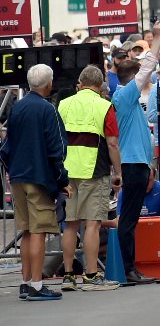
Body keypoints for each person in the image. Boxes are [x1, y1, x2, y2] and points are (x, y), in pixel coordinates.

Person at [2, 65, 70, 300]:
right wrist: (62, 179)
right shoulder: (47, 109)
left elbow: (6, 147)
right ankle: (38, 286)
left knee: (28, 230)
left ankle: (26, 281)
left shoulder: (17, 108)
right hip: (39, 176)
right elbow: (56, 148)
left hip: (18, 176)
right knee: (40, 230)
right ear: (49, 83)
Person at [55, 65, 123, 292]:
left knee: (70, 225)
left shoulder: (63, 104)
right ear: (101, 83)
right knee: (92, 224)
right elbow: (112, 143)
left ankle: (68, 276)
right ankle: (91, 275)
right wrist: (118, 172)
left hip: (67, 170)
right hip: (94, 169)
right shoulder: (105, 106)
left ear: (80, 82)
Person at [111, 51, 160, 286]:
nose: (146, 81)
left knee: (130, 219)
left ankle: (130, 269)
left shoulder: (126, 98)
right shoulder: (125, 95)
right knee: (129, 220)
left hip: (137, 163)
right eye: (139, 78)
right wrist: (158, 37)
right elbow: (148, 67)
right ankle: (128, 269)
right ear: (132, 79)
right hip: (131, 165)